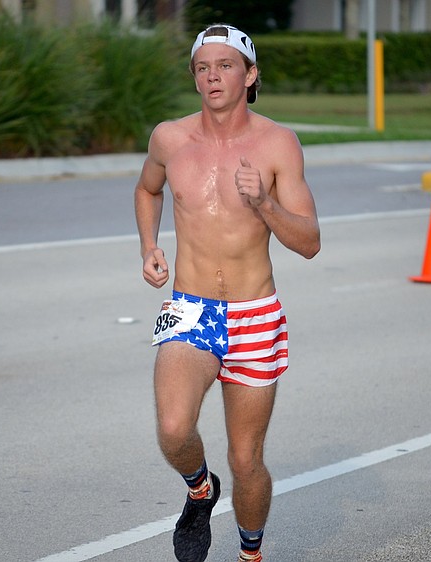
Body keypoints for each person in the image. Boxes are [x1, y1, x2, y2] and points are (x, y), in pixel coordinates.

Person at [134, 23, 320, 562]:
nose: (212, 76)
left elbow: (308, 242)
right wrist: (149, 245)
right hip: (191, 308)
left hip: (255, 314)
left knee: (246, 461)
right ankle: (199, 488)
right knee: (173, 428)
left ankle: (250, 554)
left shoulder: (277, 143)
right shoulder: (170, 138)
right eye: (202, 67)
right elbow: (147, 189)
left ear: (250, 74)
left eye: (226, 65)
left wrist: (264, 204)